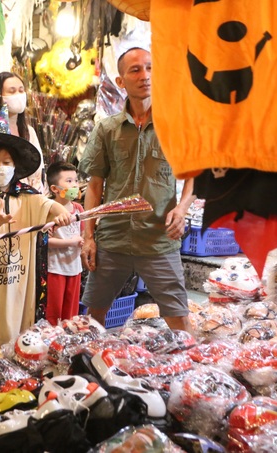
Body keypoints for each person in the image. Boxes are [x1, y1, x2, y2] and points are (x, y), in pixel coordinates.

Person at [78, 47, 194, 332]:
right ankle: (87, 370)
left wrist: (182, 209)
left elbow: (194, 175)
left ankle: (191, 373)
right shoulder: (107, 129)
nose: (145, 76)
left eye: (151, 68)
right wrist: (88, 237)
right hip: (112, 240)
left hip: (158, 240)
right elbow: (94, 186)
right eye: (136, 70)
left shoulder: (176, 126)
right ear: (121, 81)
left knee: (179, 318)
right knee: (94, 317)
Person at [0, 106, 74, 351]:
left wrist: (61, 212)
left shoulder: (28, 195)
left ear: (15, 165)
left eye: (6, 162)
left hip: (19, 276)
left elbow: (48, 205)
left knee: (17, 329)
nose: (1, 167)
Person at [45, 161, 84, 326]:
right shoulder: (48, 210)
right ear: (55, 189)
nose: (74, 185)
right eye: (69, 181)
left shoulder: (79, 209)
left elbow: (82, 233)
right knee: (54, 313)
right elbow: (46, 241)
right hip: (56, 269)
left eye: (75, 180)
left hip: (75, 268)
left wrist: (83, 241)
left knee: (71, 314)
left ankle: (67, 343)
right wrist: (71, 242)